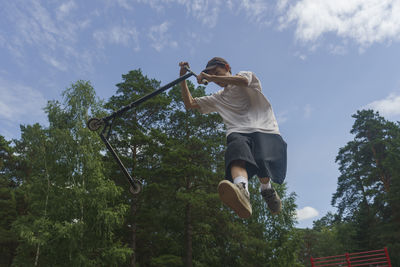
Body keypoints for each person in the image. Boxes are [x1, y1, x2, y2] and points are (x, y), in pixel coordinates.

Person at [179, 57, 287, 218]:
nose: (217, 79)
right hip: (237, 131)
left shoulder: (245, 75)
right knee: (236, 155)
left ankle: (267, 189)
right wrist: (183, 79)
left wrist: (210, 77)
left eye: (218, 73)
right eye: (213, 76)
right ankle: (241, 190)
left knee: (262, 163)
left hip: (264, 129)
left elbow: (242, 81)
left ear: (227, 67)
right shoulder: (218, 97)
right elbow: (190, 104)